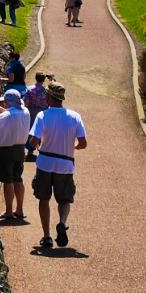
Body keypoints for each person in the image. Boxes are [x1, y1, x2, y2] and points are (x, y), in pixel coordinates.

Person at [29, 81, 87, 251]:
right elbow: (83, 143)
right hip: (65, 164)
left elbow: (34, 142)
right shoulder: (75, 116)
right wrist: (71, 147)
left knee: (43, 199)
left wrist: (38, 146)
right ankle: (62, 223)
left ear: (49, 98)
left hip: (45, 163)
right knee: (64, 199)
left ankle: (46, 236)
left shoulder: (42, 116)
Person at [0, 88, 31, 221]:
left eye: (5, 102)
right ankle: (20, 209)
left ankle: (9, 211)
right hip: (20, 149)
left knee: (8, 181)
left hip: (6, 150)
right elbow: (10, 114)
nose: (4, 104)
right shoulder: (25, 112)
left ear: (8, 102)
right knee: (18, 179)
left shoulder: (8, 115)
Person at [22, 71, 49, 159]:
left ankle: (30, 150)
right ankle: (42, 149)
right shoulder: (46, 90)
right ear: (44, 80)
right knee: (42, 130)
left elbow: (26, 102)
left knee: (31, 130)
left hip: (31, 112)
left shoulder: (29, 89)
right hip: (43, 112)